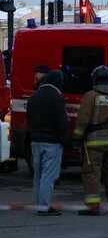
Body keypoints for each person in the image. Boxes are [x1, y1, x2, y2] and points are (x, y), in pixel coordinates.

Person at [73, 66, 108, 216]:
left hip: (94, 143)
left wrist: (77, 138)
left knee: (91, 173)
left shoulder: (90, 96)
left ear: (95, 79)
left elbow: (83, 120)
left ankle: (93, 206)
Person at [27, 70, 68, 216]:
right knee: (48, 176)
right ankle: (44, 206)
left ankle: (39, 204)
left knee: (37, 175)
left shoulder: (34, 96)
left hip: (35, 141)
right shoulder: (56, 97)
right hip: (52, 142)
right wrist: (65, 140)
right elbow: (62, 122)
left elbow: (29, 119)